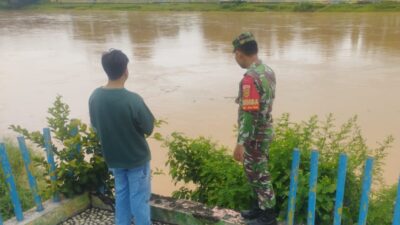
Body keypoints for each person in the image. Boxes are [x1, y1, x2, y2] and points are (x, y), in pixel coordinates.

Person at [89, 49, 154, 225]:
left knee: (122, 196)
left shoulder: (95, 97)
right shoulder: (132, 100)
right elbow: (148, 127)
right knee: (139, 199)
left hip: (114, 158)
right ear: (126, 70)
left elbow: (95, 125)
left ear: (106, 70)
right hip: (136, 158)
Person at [232, 32, 278, 225]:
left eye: (235, 54)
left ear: (240, 54)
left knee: (259, 174)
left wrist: (240, 143)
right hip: (265, 131)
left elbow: (249, 115)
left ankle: (268, 217)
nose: (235, 58)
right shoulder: (267, 70)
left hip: (255, 136)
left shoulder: (250, 79)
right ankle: (260, 209)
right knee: (256, 172)